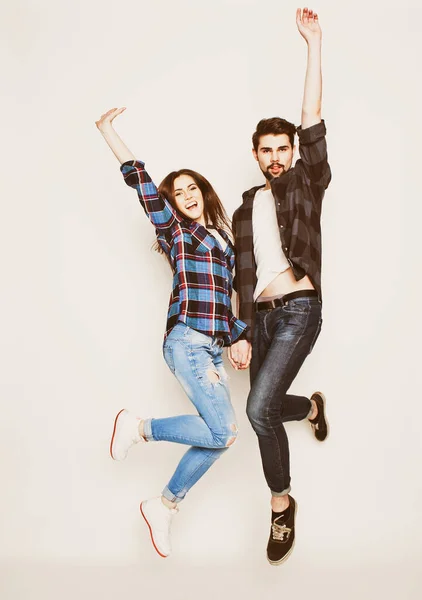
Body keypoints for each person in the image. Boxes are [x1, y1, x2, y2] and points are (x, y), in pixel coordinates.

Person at [95, 107, 247, 558]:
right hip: (186, 339)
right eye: (178, 193)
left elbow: (224, 300)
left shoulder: (222, 240)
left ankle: (163, 505)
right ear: (174, 203)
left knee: (224, 435)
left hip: (212, 346)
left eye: (192, 188)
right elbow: (140, 182)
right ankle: (140, 429)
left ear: (203, 193)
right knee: (222, 433)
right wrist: (109, 131)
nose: (187, 196)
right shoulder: (176, 231)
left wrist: (239, 335)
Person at [229, 7, 331, 566]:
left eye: (282, 149)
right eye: (265, 150)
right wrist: (240, 333)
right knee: (259, 407)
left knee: (259, 409)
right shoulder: (246, 208)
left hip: (298, 308)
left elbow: (312, 114)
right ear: (255, 154)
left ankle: (280, 503)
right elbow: (241, 278)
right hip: (263, 317)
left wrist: (313, 43)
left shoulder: (305, 185)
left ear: (291, 152)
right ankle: (311, 409)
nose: (274, 157)